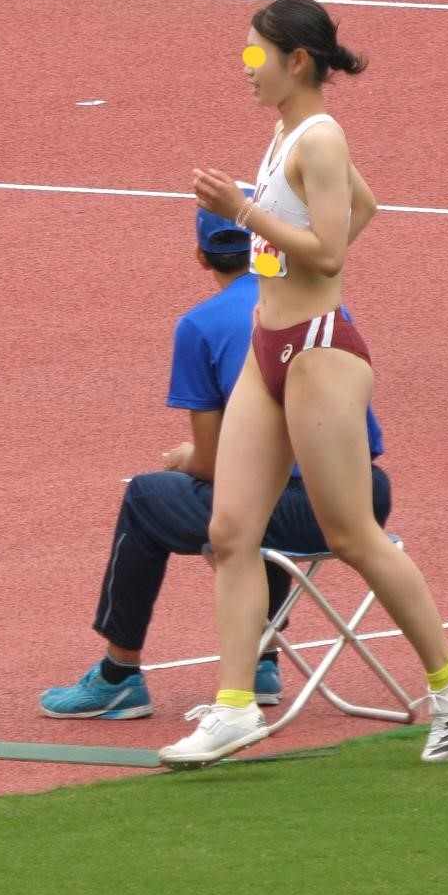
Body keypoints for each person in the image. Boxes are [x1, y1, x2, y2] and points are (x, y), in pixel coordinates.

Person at [161, 0, 448, 768]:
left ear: (296, 60)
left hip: (317, 353)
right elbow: (363, 206)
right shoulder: (286, 134)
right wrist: (272, 246)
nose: (246, 68)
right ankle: (235, 705)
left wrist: (242, 211)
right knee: (230, 532)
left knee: (350, 535)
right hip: (267, 346)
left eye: (255, 55)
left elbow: (331, 250)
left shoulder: (322, 138)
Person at [38, 207, 392, 721]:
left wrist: (187, 458)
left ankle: (119, 673)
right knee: (262, 495)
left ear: (201, 257)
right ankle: (262, 658)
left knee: (149, 497)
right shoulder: (323, 308)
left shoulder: (200, 325)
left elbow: (210, 464)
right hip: (365, 498)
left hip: (298, 511)